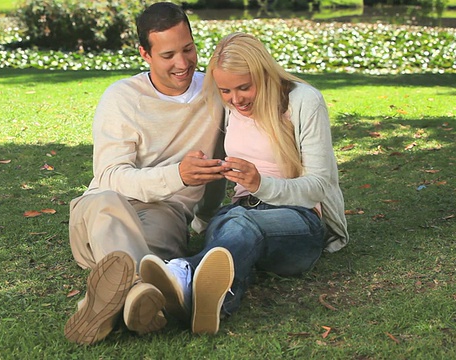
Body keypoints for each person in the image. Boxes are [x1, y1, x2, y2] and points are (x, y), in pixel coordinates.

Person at [139, 32, 349, 335]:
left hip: (298, 221)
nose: (236, 99)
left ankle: (181, 273)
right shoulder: (227, 108)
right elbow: (218, 170)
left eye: (244, 87)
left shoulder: (303, 101)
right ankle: (199, 302)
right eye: (225, 90)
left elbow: (319, 185)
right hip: (239, 212)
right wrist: (204, 214)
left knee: (242, 223)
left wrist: (261, 184)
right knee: (236, 220)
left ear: (264, 74)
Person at [64, 2, 230, 345]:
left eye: (188, 49)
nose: (182, 64)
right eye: (168, 55)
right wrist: (178, 176)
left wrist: (206, 218)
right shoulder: (122, 97)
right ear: (145, 54)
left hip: (165, 214)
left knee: (149, 260)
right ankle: (141, 292)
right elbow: (110, 175)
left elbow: (222, 162)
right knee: (108, 201)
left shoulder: (216, 94)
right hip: (102, 211)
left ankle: (117, 302)